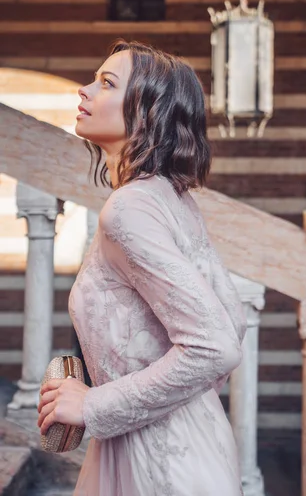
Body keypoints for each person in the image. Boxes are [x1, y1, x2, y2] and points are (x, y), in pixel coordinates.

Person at [37, 40, 247, 495]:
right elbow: (235, 318)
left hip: (160, 468)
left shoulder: (130, 208)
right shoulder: (174, 198)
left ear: (147, 111)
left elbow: (215, 346)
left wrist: (95, 405)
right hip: (192, 444)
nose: (84, 91)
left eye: (106, 83)